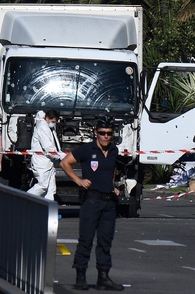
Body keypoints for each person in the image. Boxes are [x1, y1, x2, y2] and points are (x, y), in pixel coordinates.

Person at [60, 118, 124, 291]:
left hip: (109, 203)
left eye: (109, 134)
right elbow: (65, 163)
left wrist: (113, 186)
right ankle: (80, 276)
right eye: (102, 133)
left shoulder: (113, 150)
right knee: (86, 240)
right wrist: (78, 181)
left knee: (105, 241)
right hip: (92, 200)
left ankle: (103, 278)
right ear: (96, 132)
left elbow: (112, 170)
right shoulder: (87, 150)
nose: (105, 137)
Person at [27, 110, 64, 200]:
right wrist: (58, 156)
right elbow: (48, 146)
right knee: (42, 186)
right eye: (53, 122)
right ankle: (24, 199)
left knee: (50, 189)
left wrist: (58, 153)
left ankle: (48, 210)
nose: (53, 124)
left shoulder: (47, 127)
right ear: (47, 118)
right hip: (41, 162)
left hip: (48, 162)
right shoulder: (42, 127)